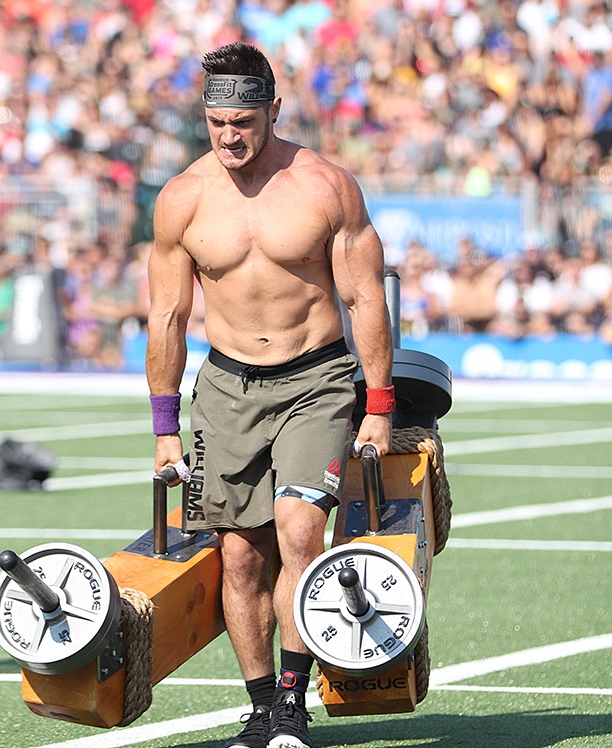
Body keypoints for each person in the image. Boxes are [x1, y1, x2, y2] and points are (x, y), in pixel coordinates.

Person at [145, 42, 393, 748]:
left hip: (315, 379)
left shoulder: (325, 186)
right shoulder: (183, 198)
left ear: (273, 111)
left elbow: (363, 297)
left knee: (298, 530)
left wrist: (378, 406)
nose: (229, 135)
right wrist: (166, 426)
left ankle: (292, 701)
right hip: (224, 387)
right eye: (217, 121)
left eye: (243, 122)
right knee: (241, 554)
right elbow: (167, 318)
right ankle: (259, 710)